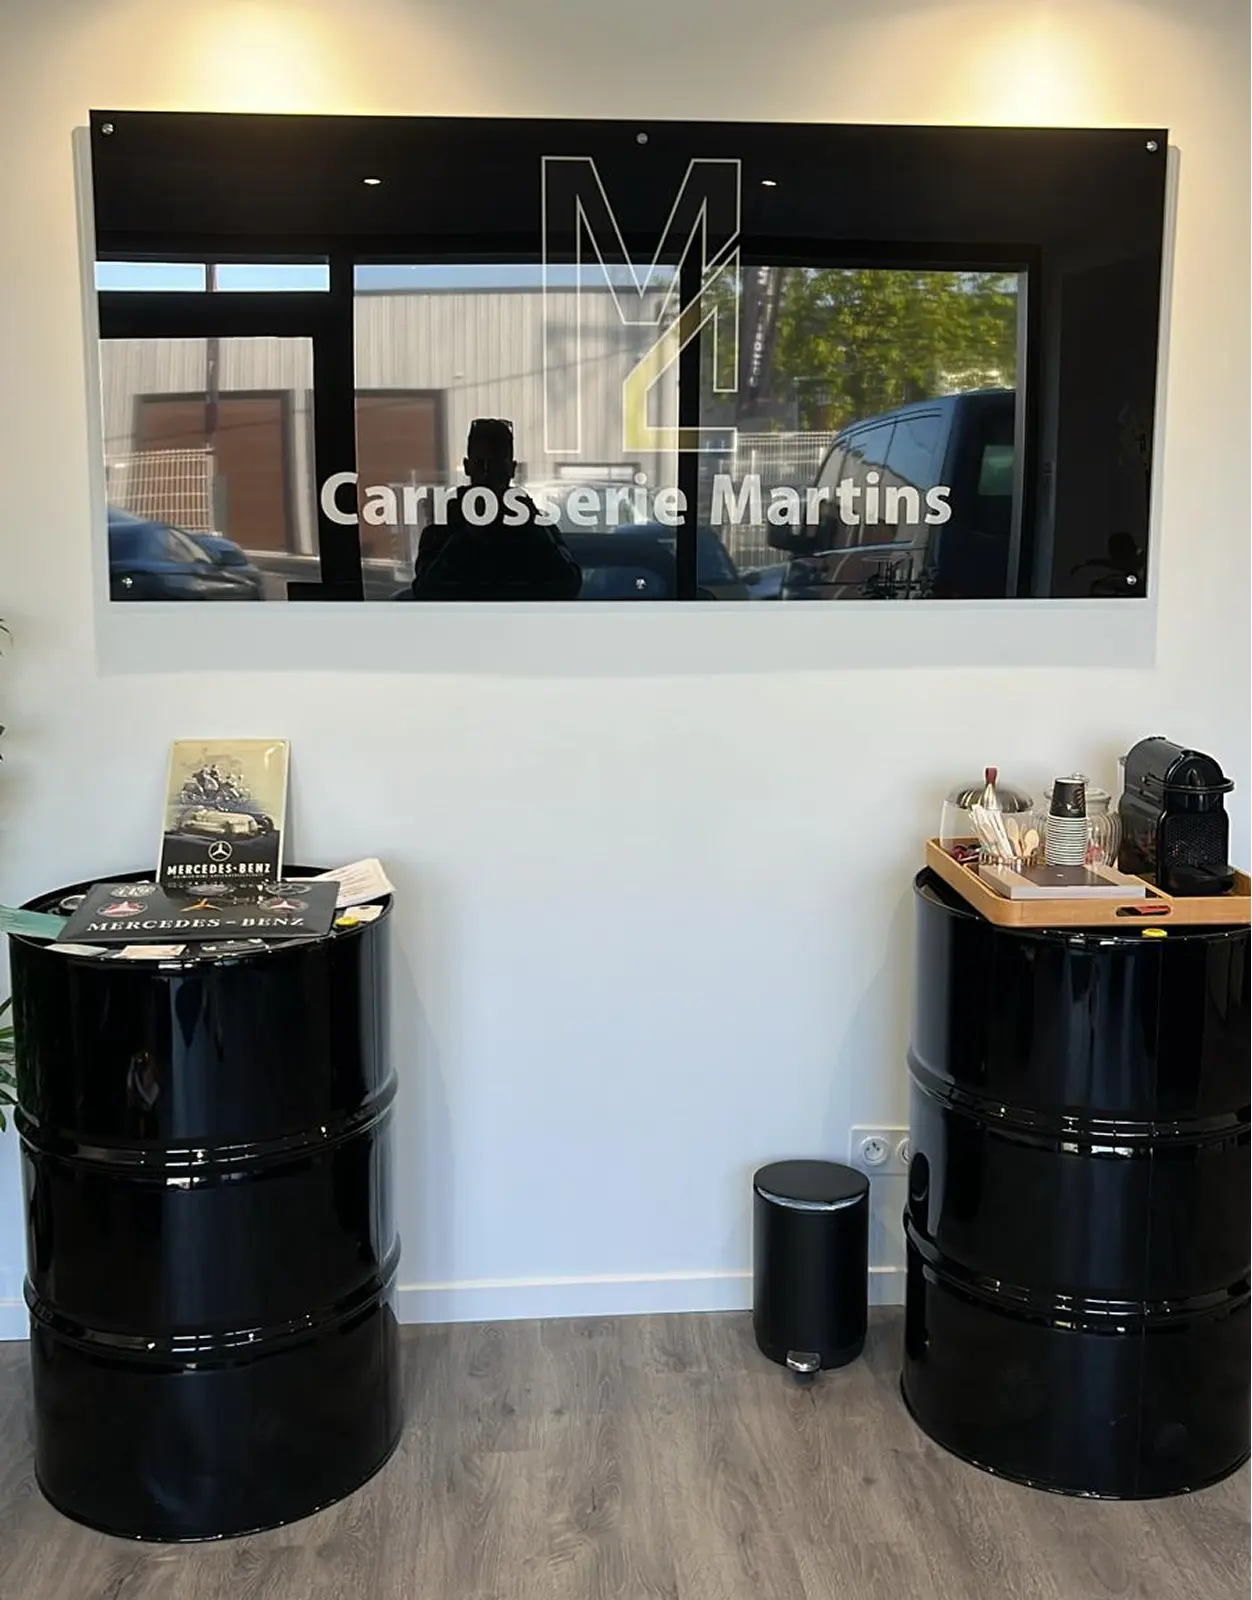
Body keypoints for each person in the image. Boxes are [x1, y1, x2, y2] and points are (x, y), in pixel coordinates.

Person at [408, 419, 582, 601]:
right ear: (467, 467)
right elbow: (425, 590)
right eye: (480, 465)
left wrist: (530, 527)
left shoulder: (528, 518)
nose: (487, 475)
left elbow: (569, 584)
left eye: (497, 466)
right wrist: (467, 536)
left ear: (511, 469)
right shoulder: (448, 519)